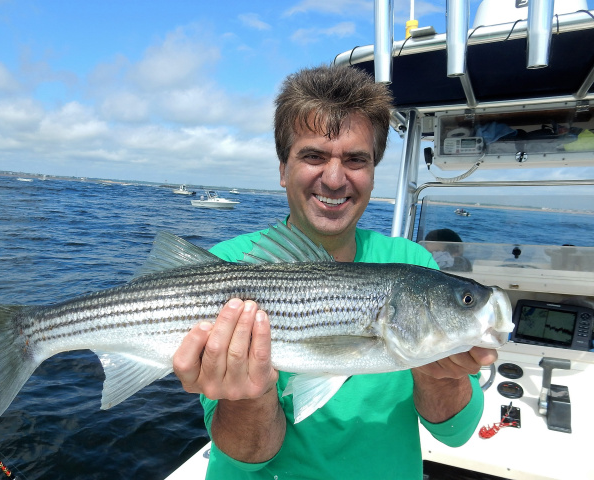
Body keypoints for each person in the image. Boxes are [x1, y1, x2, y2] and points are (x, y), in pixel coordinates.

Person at [172, 65, 497, 479]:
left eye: (356, 160)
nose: (334, 178)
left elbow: (455, 434)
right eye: (313, 156)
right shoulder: (226, 271)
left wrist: (439, 375)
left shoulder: (414, 266)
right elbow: (246, 455)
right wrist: (247, 398)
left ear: (374, 172)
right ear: (282, 168)